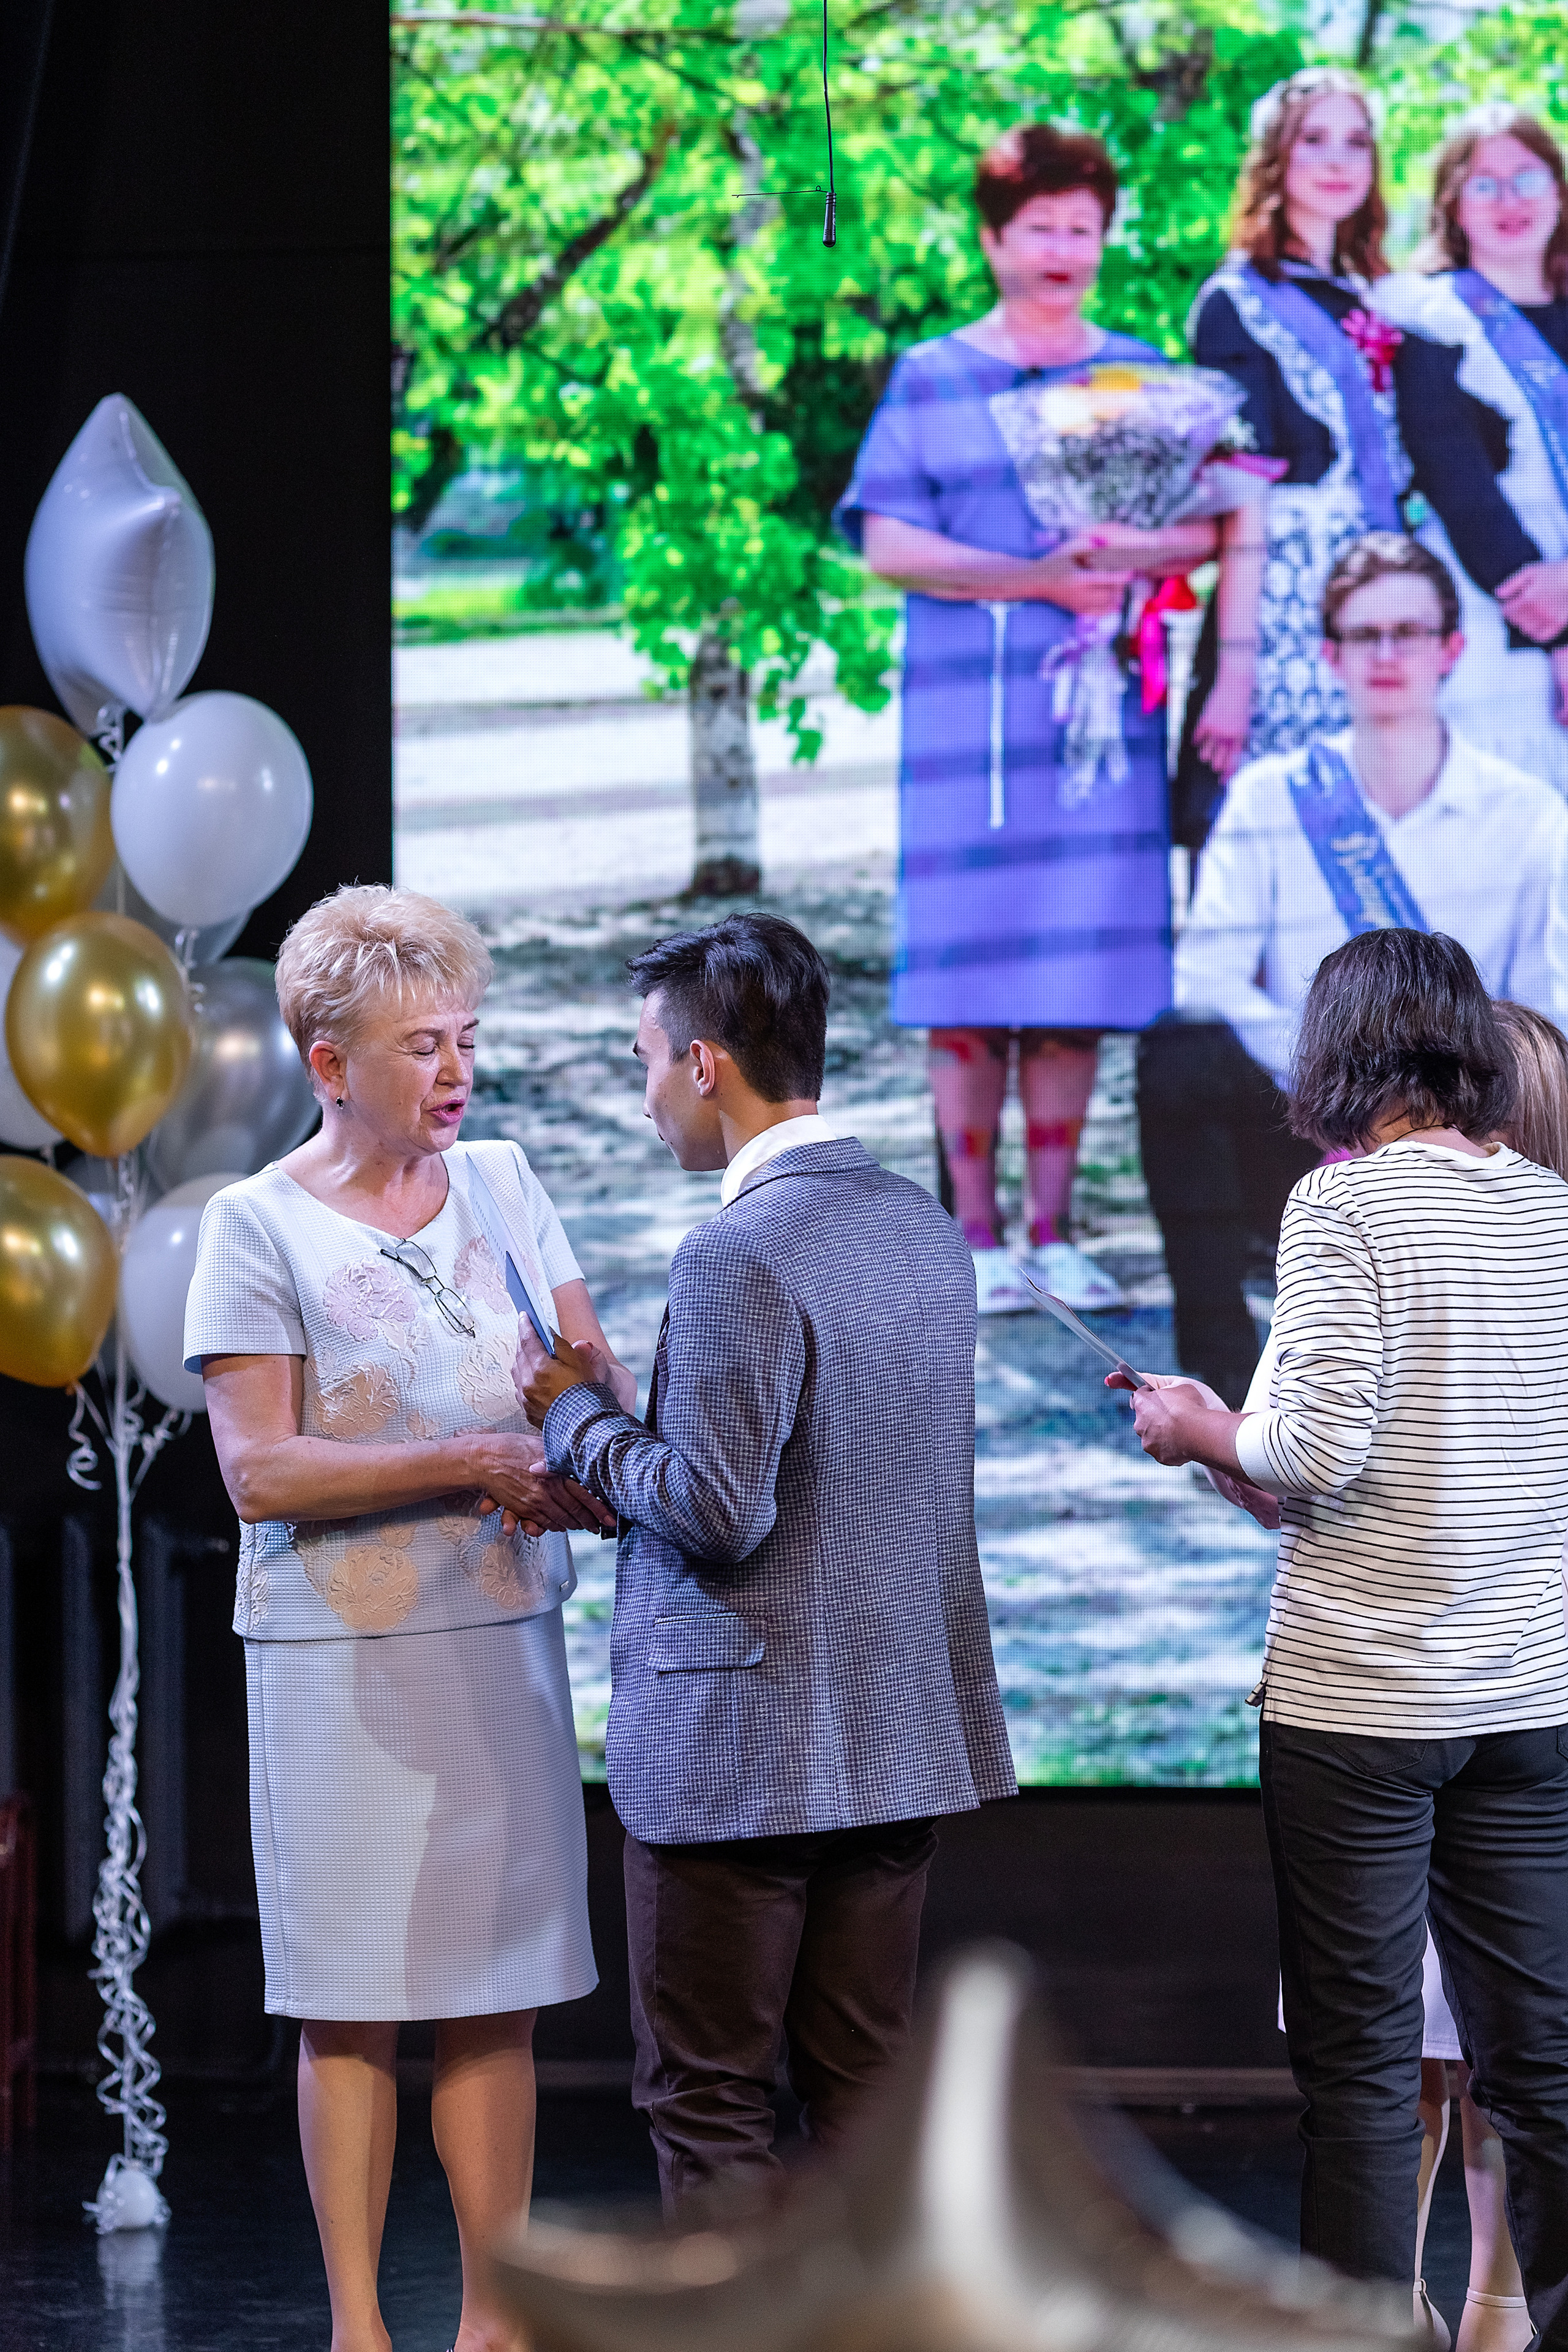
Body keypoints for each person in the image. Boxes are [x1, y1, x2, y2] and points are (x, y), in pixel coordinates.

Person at [511, 911, 1017, 2211]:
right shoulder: (922, 1228)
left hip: (744, 1757)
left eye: (642, 1062)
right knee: (861, 2100)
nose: (641, 1100)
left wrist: (572, 1414)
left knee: (710, 2101)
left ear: (703, 1065)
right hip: (893, 1741)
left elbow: (717, 1509)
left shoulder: (737, 1250)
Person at [185, 884, 625, 2352]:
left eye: (464, 1036)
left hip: (499, 1638)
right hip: (341, 1663)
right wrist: (468, 1459)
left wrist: (585, 1457)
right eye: (420, 1044)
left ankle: (493, 2318)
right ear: (327, 1062)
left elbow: (584, 1377)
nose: (455, 1070)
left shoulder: (504, 1178)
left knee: (494, 1991)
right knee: (353, 1996)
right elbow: (261, 1469)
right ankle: (359, 2324)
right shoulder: (254, 1225)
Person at [1117, 927, 1568, 2329]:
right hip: (1522, 1697)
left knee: (1366, 2069)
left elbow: (1308, 1444)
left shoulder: (1343, 1204)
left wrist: (1198, 1425)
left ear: (1338, 1052)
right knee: (1538, 2061)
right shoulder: (1548, 1209)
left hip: (1362, 1704)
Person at [835, 121, 1219, 1314]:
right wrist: (1035, 579)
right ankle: (974, 1237)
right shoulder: (930, 374)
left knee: (1073, 981)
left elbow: (1207, 529)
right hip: (971, 727)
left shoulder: (1136, 373)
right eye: (1039, 226)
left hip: (1097, 717)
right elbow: (886, 543)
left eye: (1083, 227)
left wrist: (1121, 553)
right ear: (992, 237)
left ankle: (1054, 1236)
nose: (1063, 247)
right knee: (967, 986)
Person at [1139, 533, 1568, 1404]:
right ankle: (1224, 1373)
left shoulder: (1526, 814)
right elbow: (1204, 976)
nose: (1387, 653)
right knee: (1176, 1053)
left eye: (1409, 631)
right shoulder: (1271, 795)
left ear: (1452, 648)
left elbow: (1541, 1012)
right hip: (1302, 1125)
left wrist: (1435, 1106)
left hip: (1466, 1143)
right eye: (1364, 634)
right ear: (1329, 653)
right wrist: (1337, 1080)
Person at [1174, 71, 1560, 849]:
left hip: (1388, 584)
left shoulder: (1377, 297)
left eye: (1356, 141)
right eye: (1312, 140)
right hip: (1287, 596)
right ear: (1272, 159)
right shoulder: (1235, 300)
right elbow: (1242, 496)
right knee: (1289, 831)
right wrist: (1236, 671)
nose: (1336, 160)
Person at [1374, 107, 1568, 794]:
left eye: (1526, 177)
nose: (1509, 200)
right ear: (1452, 206)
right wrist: (1559, 637)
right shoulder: (1430, 319)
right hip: (1499, 617)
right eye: (1483, 185)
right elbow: (1460, 486)